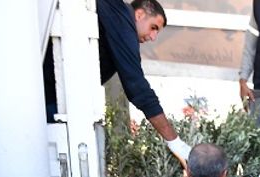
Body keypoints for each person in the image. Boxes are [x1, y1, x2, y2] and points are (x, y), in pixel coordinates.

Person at [43, 0, 191, 164]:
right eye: (153, 27)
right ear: (139, 14)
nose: (153, 37)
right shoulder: (123, 19)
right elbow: (137, 87)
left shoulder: (113, 14)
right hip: (48, 97)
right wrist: (175, 142)